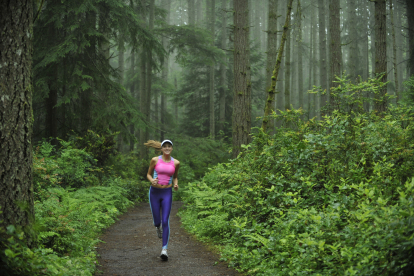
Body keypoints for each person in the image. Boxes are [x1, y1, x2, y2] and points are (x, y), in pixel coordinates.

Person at [145, 139, 180, 261]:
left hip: (167, 193)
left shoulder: (176, 162)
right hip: (154, 192)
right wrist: (151, 180)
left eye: (169, 146)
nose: (167, 148)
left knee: (165, 220)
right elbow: (148, 174)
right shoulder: (155, 160)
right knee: (157, 221)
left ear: (172, 148)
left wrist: (175, 184)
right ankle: (157, 227)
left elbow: (175, 177)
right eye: (164, 146)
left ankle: (164, 249)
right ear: (161, 148)